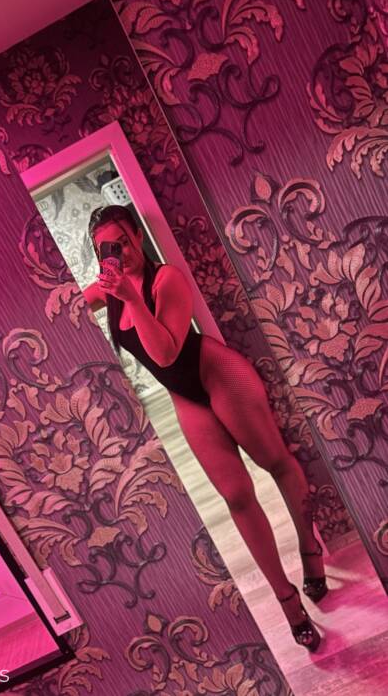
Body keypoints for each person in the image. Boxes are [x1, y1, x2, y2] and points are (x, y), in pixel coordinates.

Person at [83, 204, 327, 651]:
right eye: (105, 249)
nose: (117, 253)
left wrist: (133, 298)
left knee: (275, 462)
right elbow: (59, 308)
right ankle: (287, 599)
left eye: (121, 242)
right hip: (186, 397)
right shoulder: (109, 289)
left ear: (138, 236)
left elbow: (165, 354)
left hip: (218, 375)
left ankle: (311, 553)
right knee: (236, 496)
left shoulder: (166, 279)